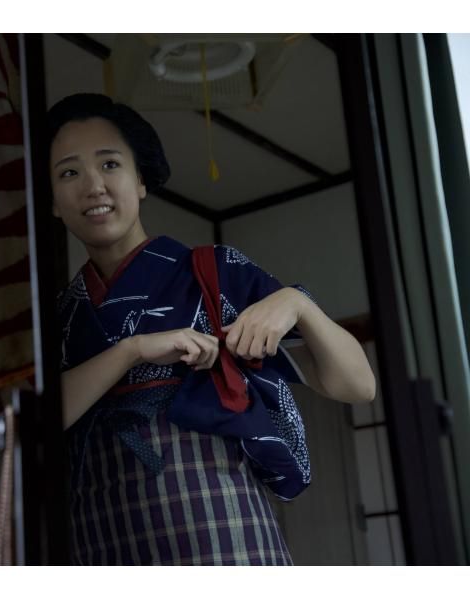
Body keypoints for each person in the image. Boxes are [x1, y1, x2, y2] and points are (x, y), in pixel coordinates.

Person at [48, 93, 376, 566]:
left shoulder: (214, 273)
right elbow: (40, 424)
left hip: (221, 533)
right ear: (53, 202)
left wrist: (297, 302)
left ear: (140, 180)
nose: (93, 186)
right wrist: (133, 349)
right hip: (101, 538)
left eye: (110, 164)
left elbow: (358, 385)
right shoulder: (60, 315)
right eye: (68, 173)